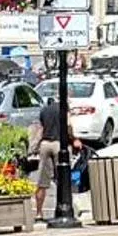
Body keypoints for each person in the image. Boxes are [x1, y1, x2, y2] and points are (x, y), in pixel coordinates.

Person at [33, 88, 65, 218]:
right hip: (58, 144)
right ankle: (63, 207)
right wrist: (74, 139)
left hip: (45, 144)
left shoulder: (44, 110)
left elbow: (41, 129)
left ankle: (39, 212)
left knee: (42, 182)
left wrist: (35, 146)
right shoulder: (63, 109)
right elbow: (69, 126)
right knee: (63, 178)